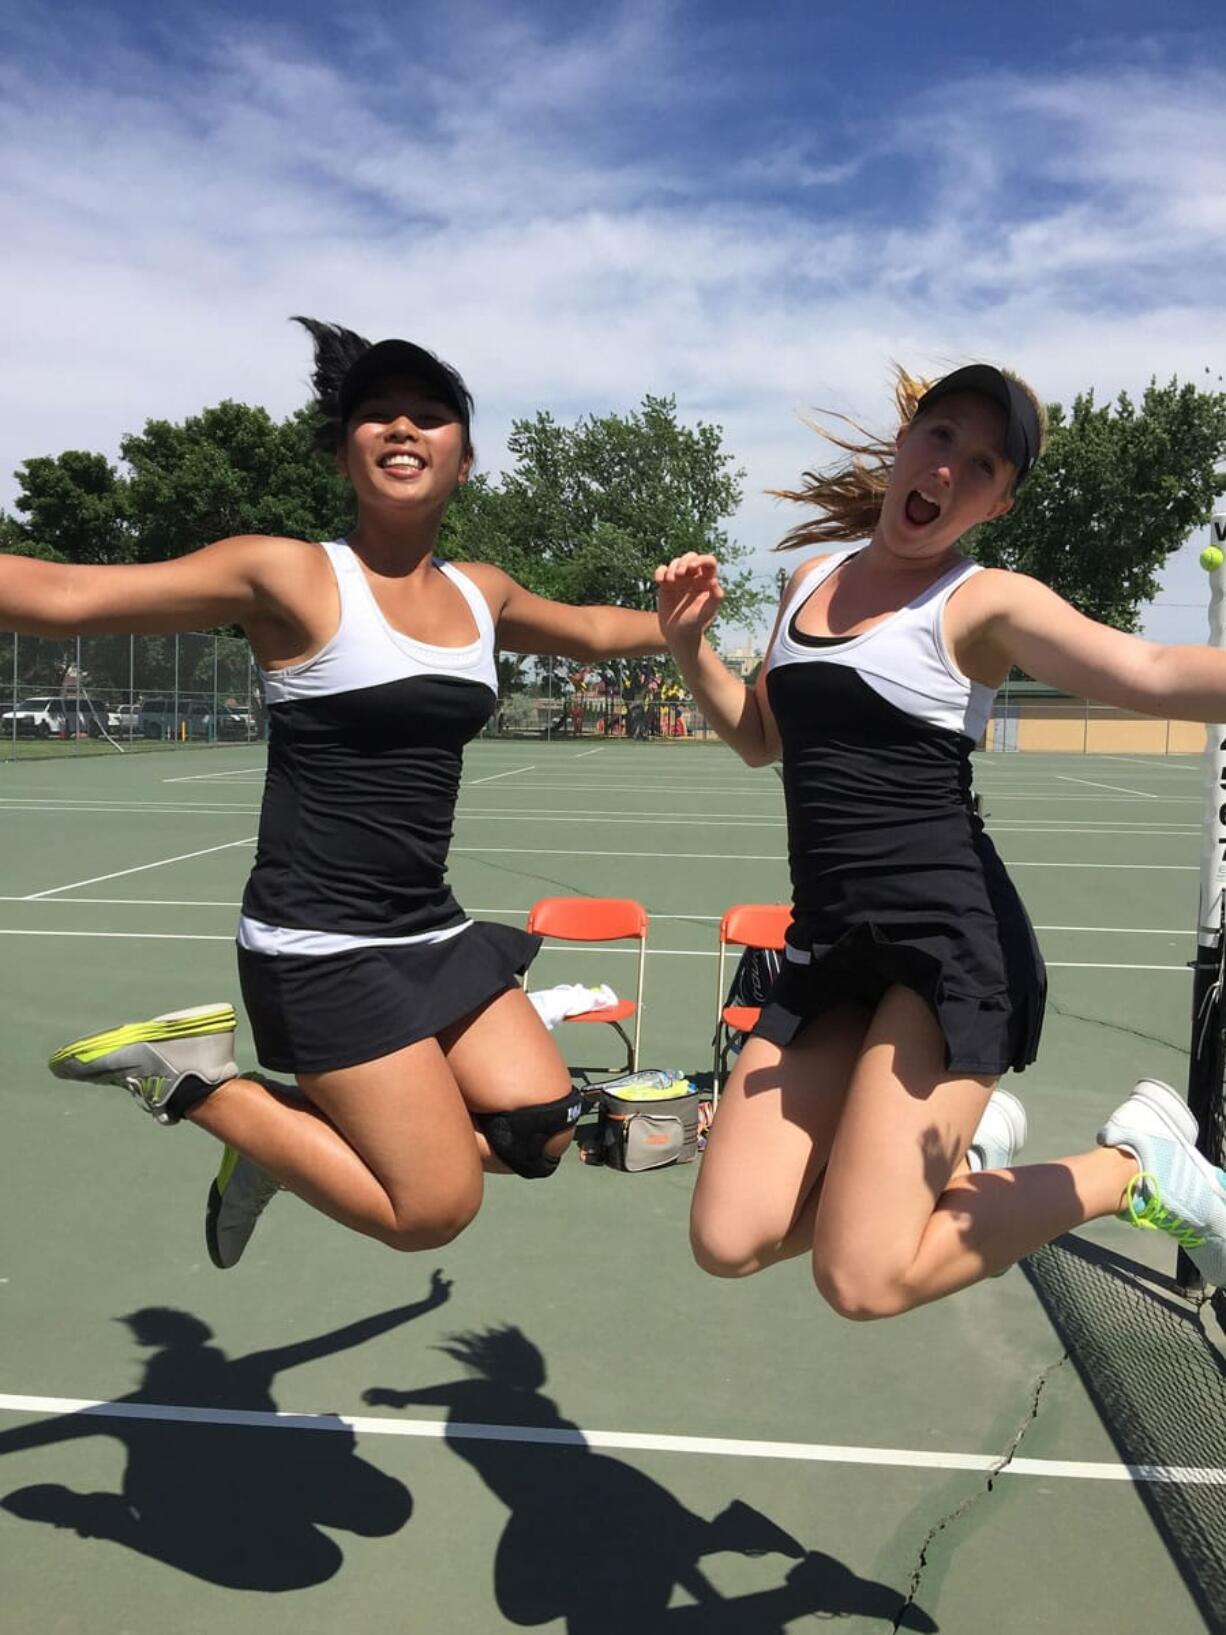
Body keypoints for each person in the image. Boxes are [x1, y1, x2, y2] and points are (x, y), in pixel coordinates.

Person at [16, 318, 675, 1268]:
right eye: (376, 415)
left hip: (426, 926)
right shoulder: (287, 572)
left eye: (430, 415)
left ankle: (283, 1143)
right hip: (322, 942)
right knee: (432, 1209)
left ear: (464, 459)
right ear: (342, 453)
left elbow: (596, 631)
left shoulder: (480, 592)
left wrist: (692, 624)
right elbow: (68, 595)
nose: (403, 430)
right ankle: (202, 1085)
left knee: (542, 1128)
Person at [655, 362, 1226, 1316]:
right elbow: (762, 742)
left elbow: (1155, 668)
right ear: (903, 445)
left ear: (998, 503)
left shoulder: (981, 604)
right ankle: (964, 1149)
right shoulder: (809, 580)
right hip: (832, 946)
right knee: (728, 1235)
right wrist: (687, 646)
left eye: (984, 461)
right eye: (940, 435)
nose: (949, 466)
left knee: (862, 1277)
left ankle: (1135, 1170)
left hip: (948, 949)